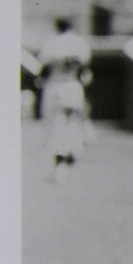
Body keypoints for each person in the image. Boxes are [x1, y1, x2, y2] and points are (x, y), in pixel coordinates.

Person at [38, 18, 92, 182]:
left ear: (57, 26)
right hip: (73, 86)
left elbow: (44, 68)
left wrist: (39, 80)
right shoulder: (80, 43)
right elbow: (85, 70)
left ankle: (61, 162)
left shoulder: (52, 43)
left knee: (56, 126)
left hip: (55, 86)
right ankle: (72, 153)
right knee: (73, 123)